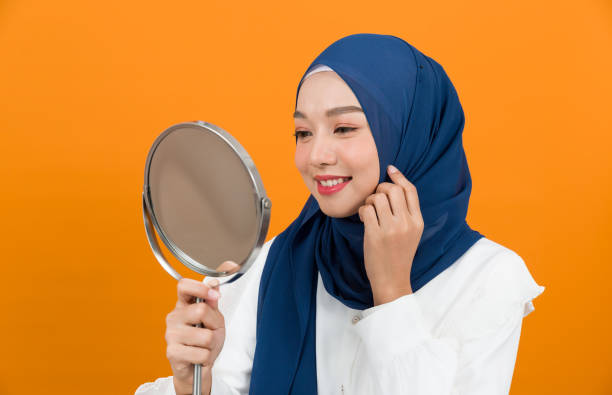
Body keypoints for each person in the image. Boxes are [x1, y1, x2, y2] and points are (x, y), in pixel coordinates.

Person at [135, 33, 545, 395]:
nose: (316, 156)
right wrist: (195, 385)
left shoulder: (490, 278)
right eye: (303, 132)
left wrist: (392, 294)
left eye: (344, 128)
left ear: (410, 133)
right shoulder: (274, 263)